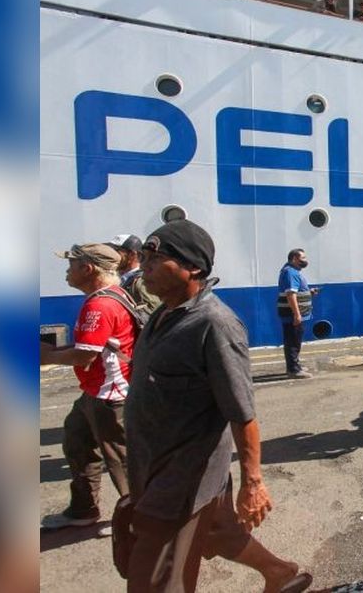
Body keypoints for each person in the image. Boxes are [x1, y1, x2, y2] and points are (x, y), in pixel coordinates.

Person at [126, 219, 311, 593]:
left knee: (155, 583)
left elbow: (241, 412)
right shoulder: (162, 315)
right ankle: (281, 574)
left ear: (193, 267)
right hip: (154, 468)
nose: (144, 264)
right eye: (143, 256)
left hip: (180, 481)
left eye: (155, 257)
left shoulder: (214, 324)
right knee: (218, 532)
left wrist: (253, 483)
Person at [40, 243, 135, 533]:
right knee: (76, 441)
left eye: (71, 265)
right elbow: (93, 346)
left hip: (109, 396)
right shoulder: (111, 296)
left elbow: (86, 356)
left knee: (121, 460)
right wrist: (57, 350)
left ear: (87, 268)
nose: (67, 271)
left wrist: (48, 357)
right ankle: (84, 509)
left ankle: (142, 518)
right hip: (95, 392)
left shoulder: (100, 305)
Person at [277, 249, 318, 379]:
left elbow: (296, 292)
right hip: (292, 314)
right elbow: (290, 294)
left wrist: (309, 292)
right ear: (295, 258)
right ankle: (293, 369)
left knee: (295, 340)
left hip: (294, 313)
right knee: (292, 341)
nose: (305, 261)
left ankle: (295, 364)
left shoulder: (291, 271)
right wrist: (297, 314)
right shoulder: (291, 272)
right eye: (303, 258)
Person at [109, 233, 162, 315]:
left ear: (132, 255)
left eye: (116, 251)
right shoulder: (120, 280)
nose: (111, 255)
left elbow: (153, 312)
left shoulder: (141, 281)